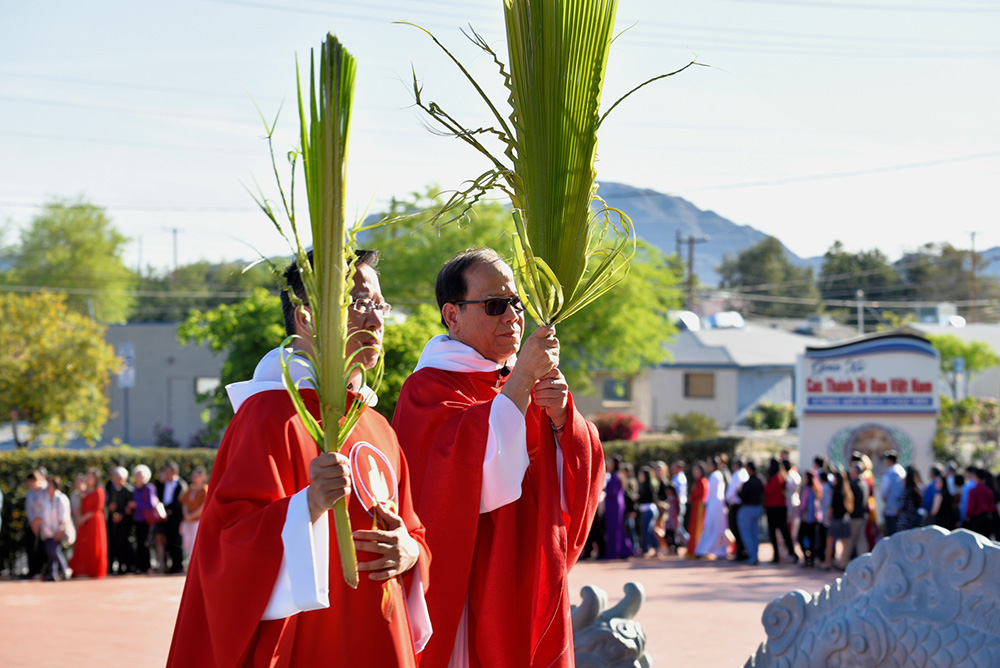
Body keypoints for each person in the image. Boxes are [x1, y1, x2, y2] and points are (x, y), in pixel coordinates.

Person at [168, 250, 431, 668]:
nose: (377, 320)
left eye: (380, 305)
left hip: (381, 634)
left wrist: (410, 552)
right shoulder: (269, 416)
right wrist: (306, 507)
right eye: (361, 304)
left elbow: (414, 531)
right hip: (313, 644)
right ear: (307, 316)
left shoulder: (378, 425)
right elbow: (226, 547)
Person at [392, 248, 604, 668]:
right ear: (452, 316)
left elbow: (576, 478)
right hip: (470, 586)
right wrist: (522, 379)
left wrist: (563, 420)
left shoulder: (511, 382)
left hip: (523, 573)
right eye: (495, 305)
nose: (512, 316)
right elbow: (473, 482)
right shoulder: (427, 388)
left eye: (516, 303)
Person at [68, 468, 108, 578]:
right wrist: (79, 518)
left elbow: (97, 508)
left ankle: (95, 570)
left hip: (94, 522)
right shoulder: (83, 492)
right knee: (83, 545)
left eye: (91, 477)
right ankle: (82, 570)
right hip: (84, 522)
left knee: (95, 545)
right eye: (88, 476)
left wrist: (84, 518)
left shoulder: (99, 491)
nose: (88, 479)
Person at [39, 475, 75, 581]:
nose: (48, 489)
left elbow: (64, 515)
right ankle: (53, 574)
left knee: (54, 551)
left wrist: (60, 529)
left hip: (58, 530)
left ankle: (65, 569)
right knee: (50, 552)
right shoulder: (46, 499)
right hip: (48, 531)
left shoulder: (61, 498)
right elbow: (43, 515)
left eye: (50, 486)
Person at [156, 462, 188, 574]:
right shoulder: (163, 484)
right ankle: (170, 565)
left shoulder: (180, 484)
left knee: (176, 541)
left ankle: (178, 565)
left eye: (169, 471)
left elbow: (180, 501)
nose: (167, 474)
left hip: (176, 517)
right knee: (168, 541)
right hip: (165, 517)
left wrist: (170, 510)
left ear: (175, 472)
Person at [764, 458, 797, 564]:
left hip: (775, 508)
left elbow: (769, 491)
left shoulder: (776, 478)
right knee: (783, 532)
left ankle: (784, 554)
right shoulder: (782, 476)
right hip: (779, 508)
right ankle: (789, 553)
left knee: (779, 533)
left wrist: (764, 485)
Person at [695, 456, 728, 559]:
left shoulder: (714, 476)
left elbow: (710, 492)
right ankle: (715, 549)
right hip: (718, 504)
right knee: (715, 526)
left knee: (711, 526)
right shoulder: (718, 475)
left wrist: (706, 502)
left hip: (714, 505)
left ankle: (706, 549)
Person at [820, 470, 853, 570]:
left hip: (836, 519)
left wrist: (827, 517)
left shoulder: (837, 492)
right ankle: (844, 562)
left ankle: (827, 562)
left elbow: (832, 507)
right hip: (844, 519)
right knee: (845, 543)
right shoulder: (847, 492)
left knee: (830, 542)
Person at [105, 466, 136, 575]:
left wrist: (123, 514)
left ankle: (126, 566)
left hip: (125, 523)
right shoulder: (111, 489)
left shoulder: (129, 490)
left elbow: (131, 506)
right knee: (113, 545)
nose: (115, 480)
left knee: (125, 545)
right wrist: (110, 507)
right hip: (113, 523)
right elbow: (108, 504)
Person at [602, 456, 633, 560]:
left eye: (610, 463)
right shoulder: (617, 475)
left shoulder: (615, 476)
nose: (609, 465)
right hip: (615, 505)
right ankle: (624, 550)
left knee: (613, 529)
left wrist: (603, 488)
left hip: (614, 505)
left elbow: (612, 492)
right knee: (616, 529)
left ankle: (614, 552)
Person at [737, 461, 764, 566]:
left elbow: (742, 495)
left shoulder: (748, 483)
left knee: (747, 534)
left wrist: (739, 490)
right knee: (754, 533)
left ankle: (753, 556)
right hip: (757, 509)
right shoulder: (759, 481)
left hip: (747, 509)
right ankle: (755, 556)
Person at [24, 470, 49, 579]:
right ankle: (33, 571)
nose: (31, 485)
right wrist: (33, 522)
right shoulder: (31, 492)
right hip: (33, 524)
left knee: (43, 548)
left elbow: (47, 507)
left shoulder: (46, 490)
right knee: (31, 547)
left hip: (45, 524)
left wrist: (40, 520)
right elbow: (28, 508)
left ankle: (43, 571)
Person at [179, 466, 208, 562]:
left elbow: (204, 505)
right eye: (193, 475)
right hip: (188, 520)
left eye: (197, 476)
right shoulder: (191, 489)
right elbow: (184, 502)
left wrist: (193, 516)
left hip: (198, 521)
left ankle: (196, 563)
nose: (194, 478)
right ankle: (191, 562)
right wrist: (186, 515)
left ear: (203, 477)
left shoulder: (205, 489)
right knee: (187, 543)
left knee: (196, 543)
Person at [844, 464, 869, 561]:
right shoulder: (864, 483)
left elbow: (851, 501)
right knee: (861, 540)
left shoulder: (854, 485)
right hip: (862, 515)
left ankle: (844, 562)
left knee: (850, 540)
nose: (850, 474)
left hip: (855, 516)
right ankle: (865, 560)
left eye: (852, 472)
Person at [725, 459, 750, 561]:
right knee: (742, 529)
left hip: (736, 505)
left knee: (736, 528)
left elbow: (731, 493)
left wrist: (728, 500)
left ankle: (740, 551)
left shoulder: (737, 475)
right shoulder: (745, 474)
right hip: (743, 505)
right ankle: (743, 550)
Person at [797, 470, 822, 568]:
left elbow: (803, 505)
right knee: (812, 539)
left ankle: (808, 558)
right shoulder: (816, 490)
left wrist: (798, 513)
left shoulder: (807, 490)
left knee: (800, 537)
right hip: (815, 519)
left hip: (806, 518)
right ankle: (811, 559)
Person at [964, 467, 997, 538]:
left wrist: (967, 516)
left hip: (975, 519)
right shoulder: (989, 491)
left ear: (976, 477)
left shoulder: (973, 491)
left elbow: (970, 507)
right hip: (986, 519)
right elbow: (992, 506)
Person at [685, 462, 708, 558]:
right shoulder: (697, 482)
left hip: (700, 508)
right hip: (695, 507)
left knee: (698, 528)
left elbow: (702, 495)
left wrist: (692, 497)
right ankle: (694, 549)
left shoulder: (703, 481)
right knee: (693, 528)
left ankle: (699, 549)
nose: (694, 472)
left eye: (697, 470)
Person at [880, 451, 905, 536]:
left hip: (891, 508)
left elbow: (884, 492)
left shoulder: (889, 473)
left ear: (889, 461)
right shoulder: (902, 471)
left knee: (892, 533)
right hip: (901, 507)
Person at [636, 466, 659, 557]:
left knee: (647, 531)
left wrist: (638, 498)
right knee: (646, 530)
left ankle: (653, 548)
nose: (640, 477)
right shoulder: (644, 485)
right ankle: (647, 548)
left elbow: (648, 498)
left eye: (641, 475)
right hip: (647, 510)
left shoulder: (648, 485)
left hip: (649, 510)